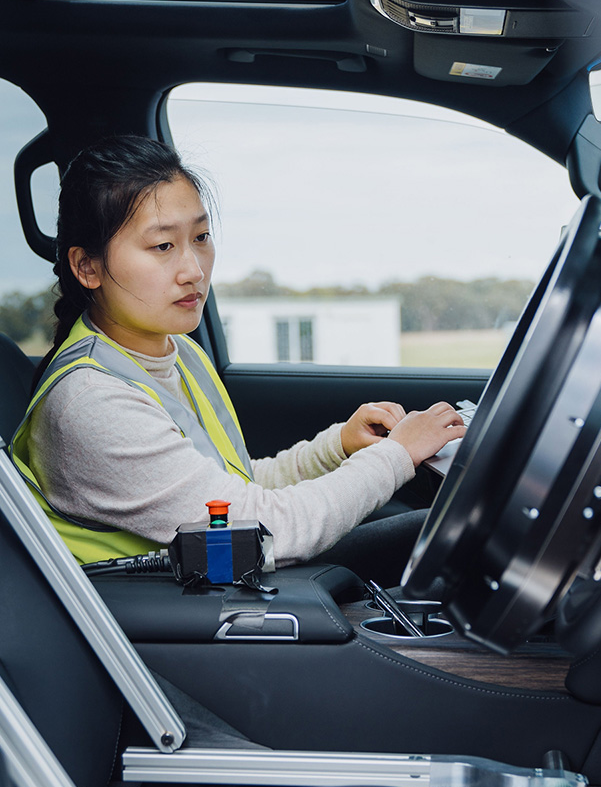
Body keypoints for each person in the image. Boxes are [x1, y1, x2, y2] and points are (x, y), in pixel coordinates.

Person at [12, 136, 465, 583]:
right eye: (163, 246)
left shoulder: (178, 353)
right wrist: (397, 454)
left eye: (201, 237)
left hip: (214, 584)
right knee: (448, 539)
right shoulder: (91, 401)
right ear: (87, 267)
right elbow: (263, 530)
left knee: (438, 532)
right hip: (169, 613)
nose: (194, 270)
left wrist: (339, 447)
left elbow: (232, 490)